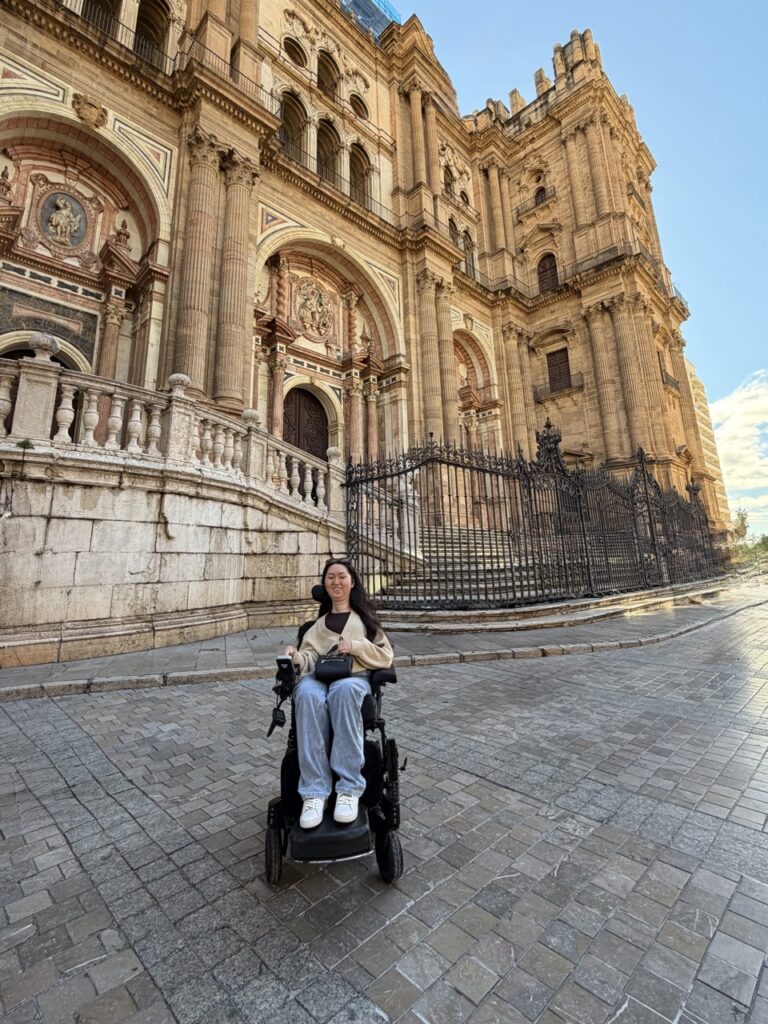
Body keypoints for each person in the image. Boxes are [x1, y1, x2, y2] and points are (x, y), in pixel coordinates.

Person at [284, 559, 393, 829]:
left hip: (354, 678)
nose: (336, 582)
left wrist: (354, 646)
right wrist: (295, 656)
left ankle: (348, 787)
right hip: (318, 679)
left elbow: (385, 655)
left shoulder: (365, 622)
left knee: (343, 691)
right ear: (325, 584)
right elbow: (309, 658)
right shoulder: (316, 626)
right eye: (330, 577)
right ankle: (314, 791)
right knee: (306, 694)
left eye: (341, 576)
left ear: (352, 582)